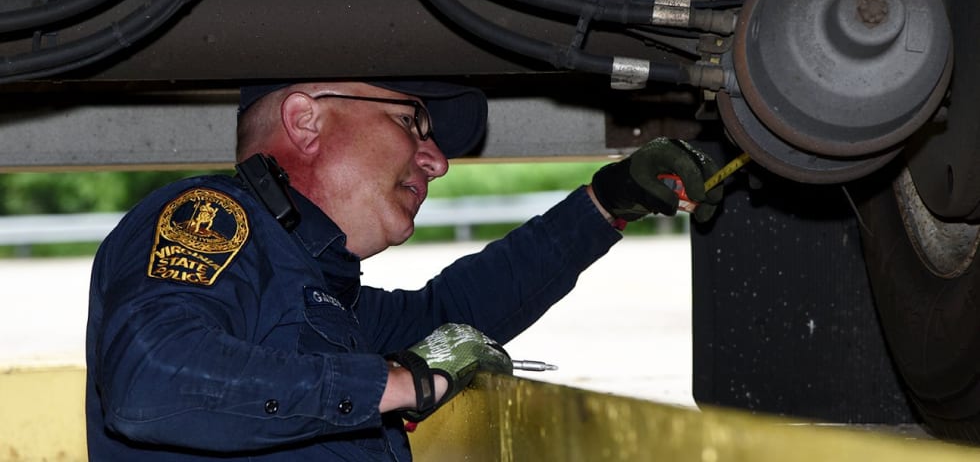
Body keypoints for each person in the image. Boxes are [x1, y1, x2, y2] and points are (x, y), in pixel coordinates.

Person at [86, 81, 722, 460]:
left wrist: (605, 205)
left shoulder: (312, 287)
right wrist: (396, 385)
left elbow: (442, 318)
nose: (438, 160)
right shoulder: (212, 215)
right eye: (408, 121)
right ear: (306, 121)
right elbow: (154, 376)